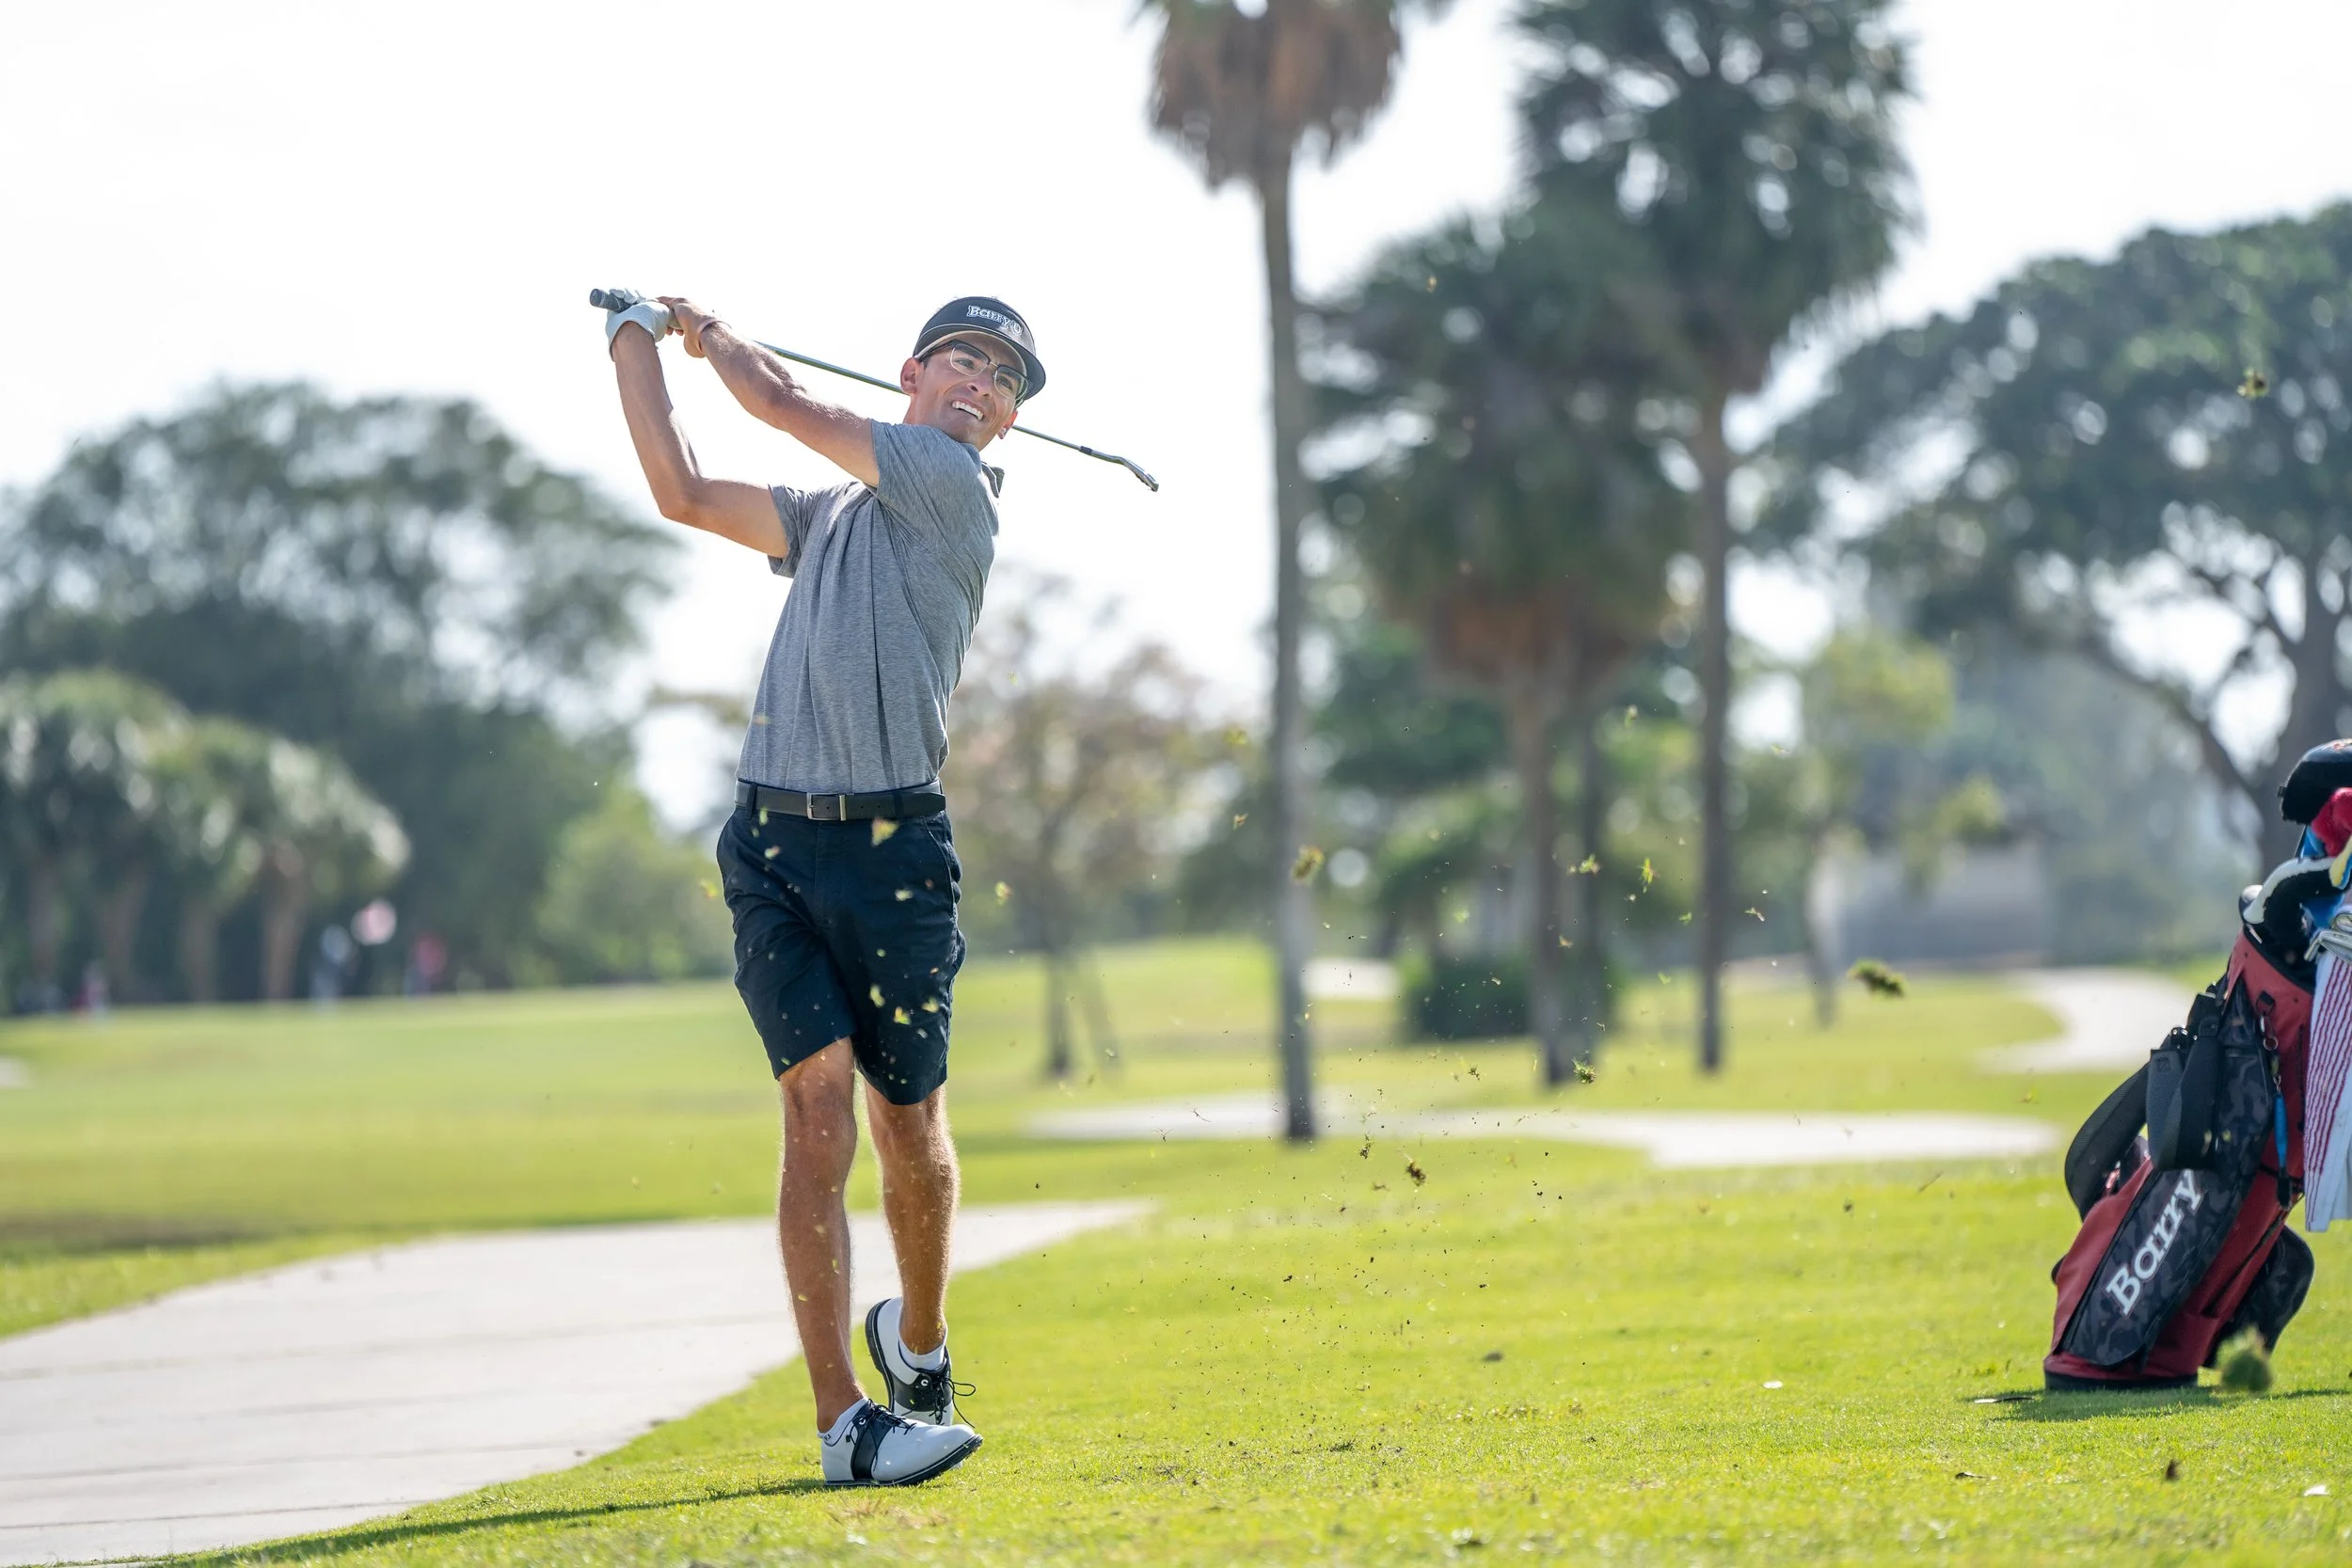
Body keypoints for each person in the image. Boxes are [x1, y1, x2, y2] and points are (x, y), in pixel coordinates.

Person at [605, 289, 1044, 1487]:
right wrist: (633, 344)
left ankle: (921, 1339)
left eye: (1003, 380)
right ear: (915, 369)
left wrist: (713, 336)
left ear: (1001, 424)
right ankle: (844, 1423)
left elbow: (780, 402)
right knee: (816, 1113)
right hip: (771, 846)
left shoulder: (953, 489)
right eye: (964, 358)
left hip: (894, 857)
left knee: (908, 1125)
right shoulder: (833, 514)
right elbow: (683, 492)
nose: (982, 383)